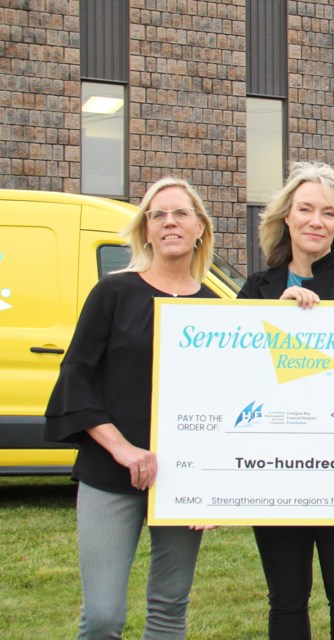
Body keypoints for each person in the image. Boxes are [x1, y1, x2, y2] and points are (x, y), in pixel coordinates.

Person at [44, 177, 217, 639]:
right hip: (109, 472)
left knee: (168, 610)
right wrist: (123, 450)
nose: (169, 222)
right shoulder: (113, 293)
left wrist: (215, 486)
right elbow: (75, 381)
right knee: (102, 616)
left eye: (180, 213)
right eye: (157, 215)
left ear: (200, 227)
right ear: (145, 231)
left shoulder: (216, 307)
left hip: (183, 480)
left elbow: (230, 394)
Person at [238, 162, 334, 640]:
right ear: (286, 216)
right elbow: (236, 378)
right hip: (275, 467)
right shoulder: (256, 290)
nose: (316, 221)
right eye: (305, 209)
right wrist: (272, 324)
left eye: (328, 212)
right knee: (286, 599)